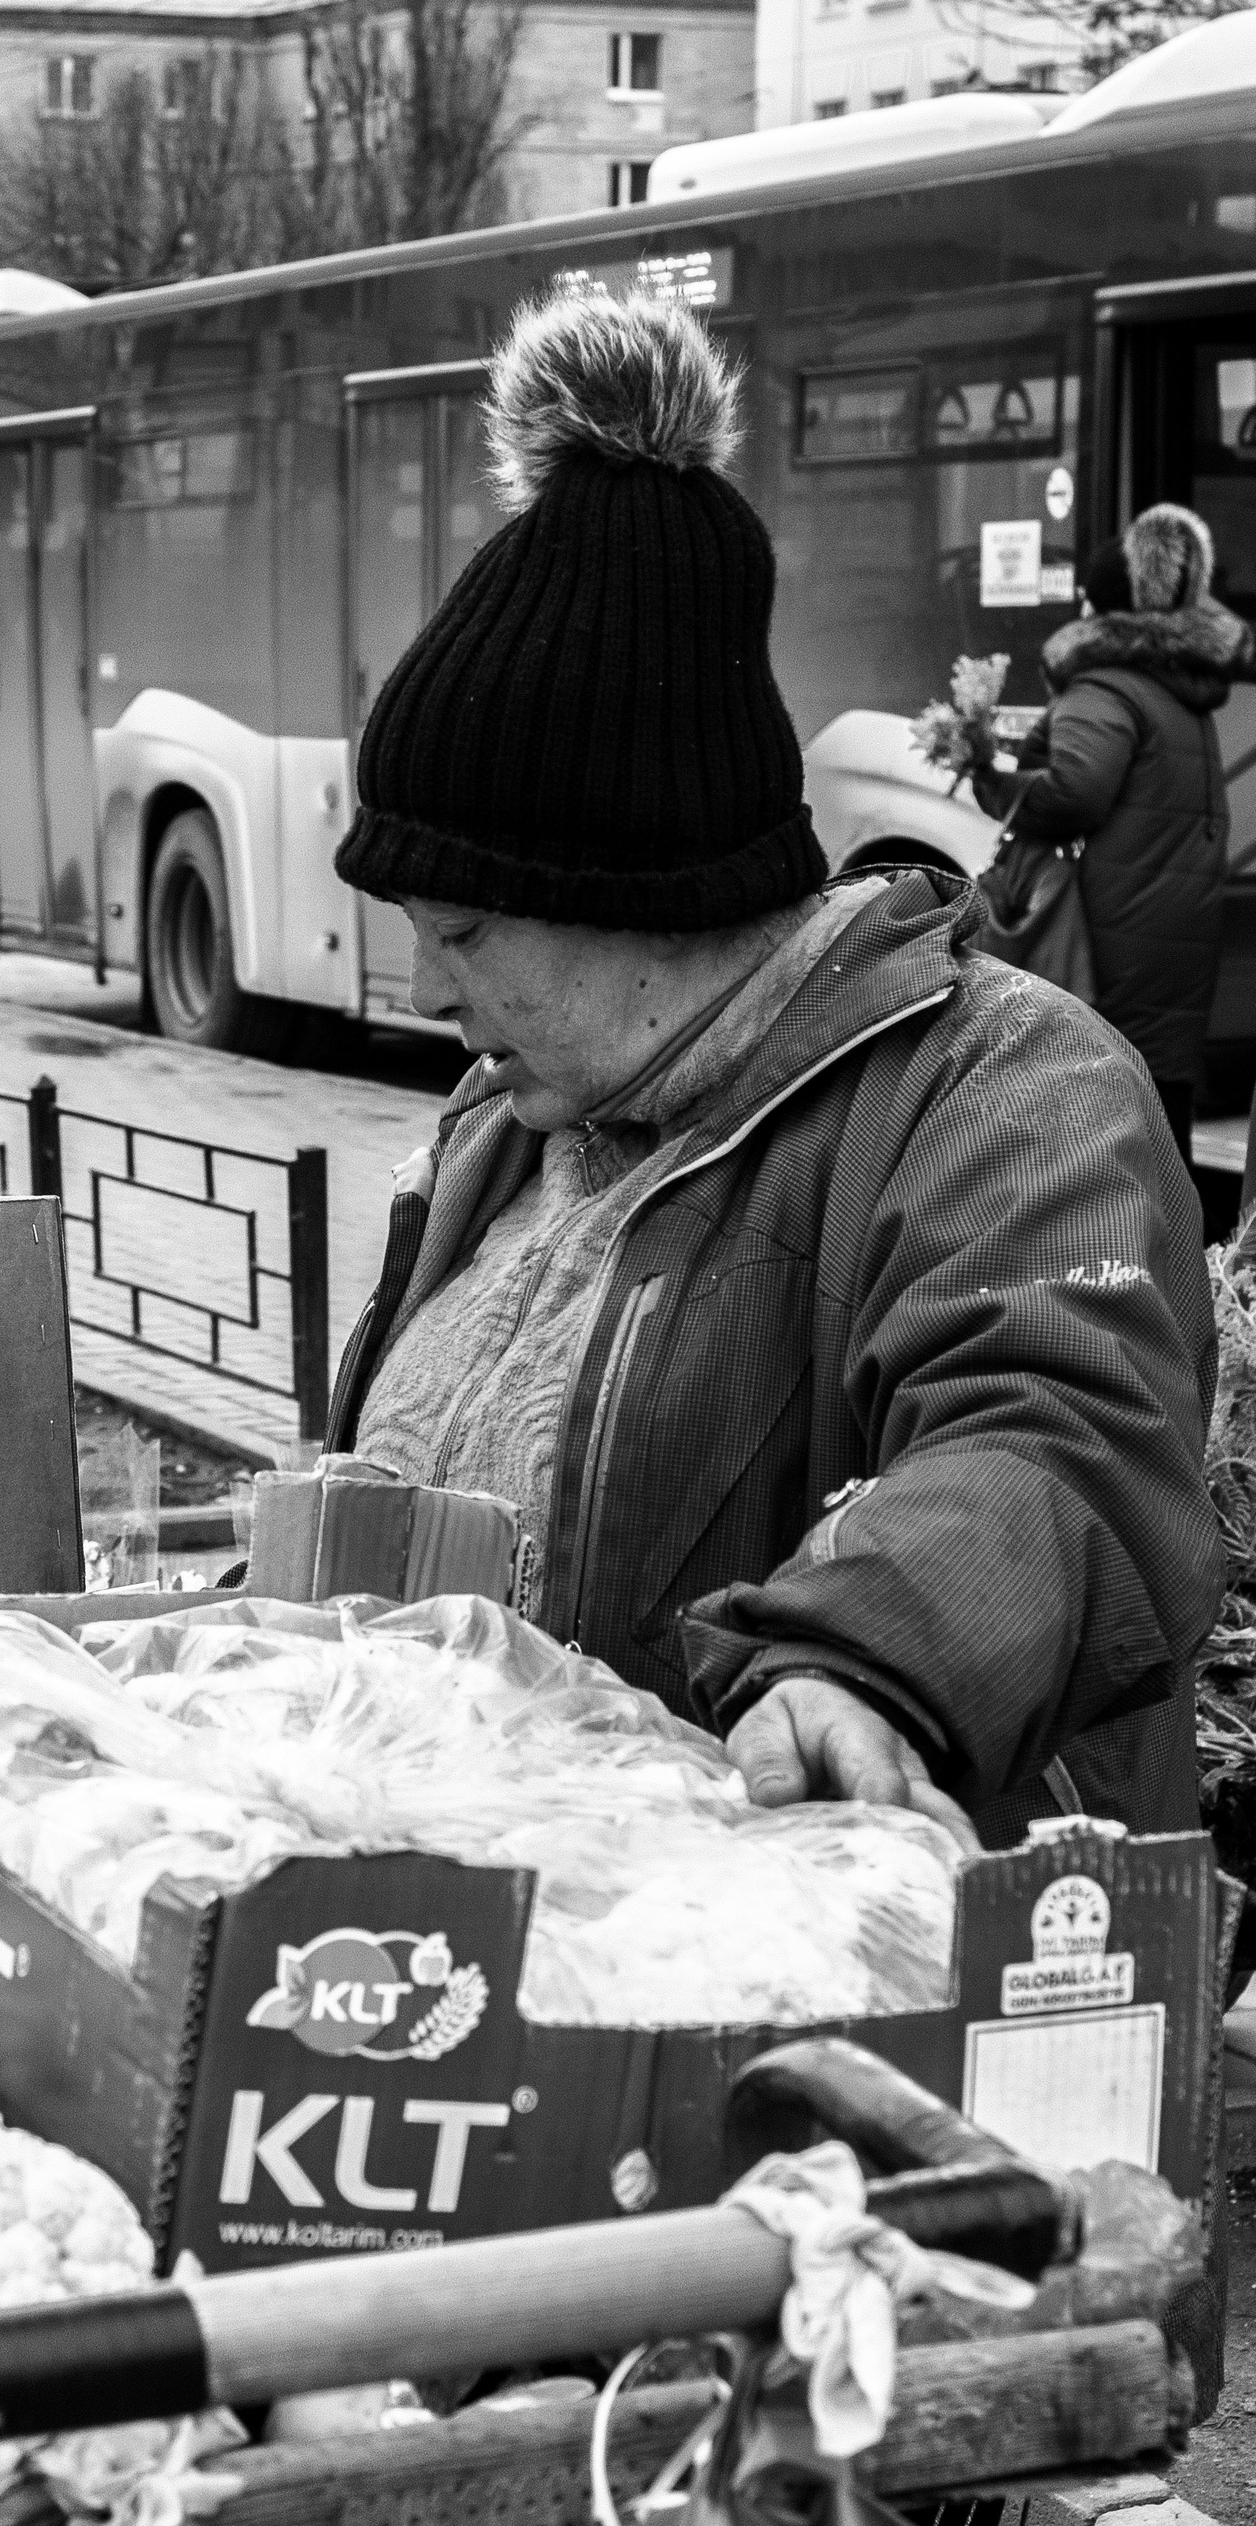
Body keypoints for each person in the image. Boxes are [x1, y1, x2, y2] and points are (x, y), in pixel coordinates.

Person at [327, 292, 1223, 1850]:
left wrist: (871, 1657)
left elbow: (1055, 1437)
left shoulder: (1013, 1095)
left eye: (463, 927)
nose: (425, 991)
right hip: (488, 1951)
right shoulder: (506, 1120)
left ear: (639, 887)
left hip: (844, 1981)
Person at [971, 508, 1246, 1168]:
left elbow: (1074, 793)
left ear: (1095, 607)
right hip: (1170, 927)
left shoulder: (1103, 686)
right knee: (1159, 1101)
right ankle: (1181, 1251)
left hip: (1113, 932)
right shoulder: (1181, 690)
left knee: (1101, 1108)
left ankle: (1113, 1249)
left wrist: (990, 779)